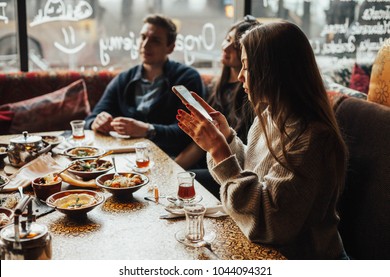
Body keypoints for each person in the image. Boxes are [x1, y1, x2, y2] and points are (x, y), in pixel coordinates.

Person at [176, 21, 348, 260]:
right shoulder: (269, 115)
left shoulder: (313, 137)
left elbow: (271, 225)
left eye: (246, 66)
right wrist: (226, 139)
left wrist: (219, 151)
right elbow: (253, 174)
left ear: (273, 69)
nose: (239, 76)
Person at [85, 14, 205, 157]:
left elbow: (190, 132)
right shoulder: (124, 78)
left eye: (155, 40)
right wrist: (97, 122)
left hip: (169, 157)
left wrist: (148, 130)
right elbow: (90, 119)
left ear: (170, 48)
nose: (145, 44)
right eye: (143, 37)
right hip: (127, 155)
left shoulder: (187, 78)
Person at [175, 16, 260, 197]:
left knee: (183, 179)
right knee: (178, 176)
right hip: (212, 160)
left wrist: (176, 171)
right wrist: (172, 166)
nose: (226, 47)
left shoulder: (251, 94)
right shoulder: (216, 86)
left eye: (235, 45)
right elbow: (200, 143)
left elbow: (245, 157)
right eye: (227, 40)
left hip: (235, 169)